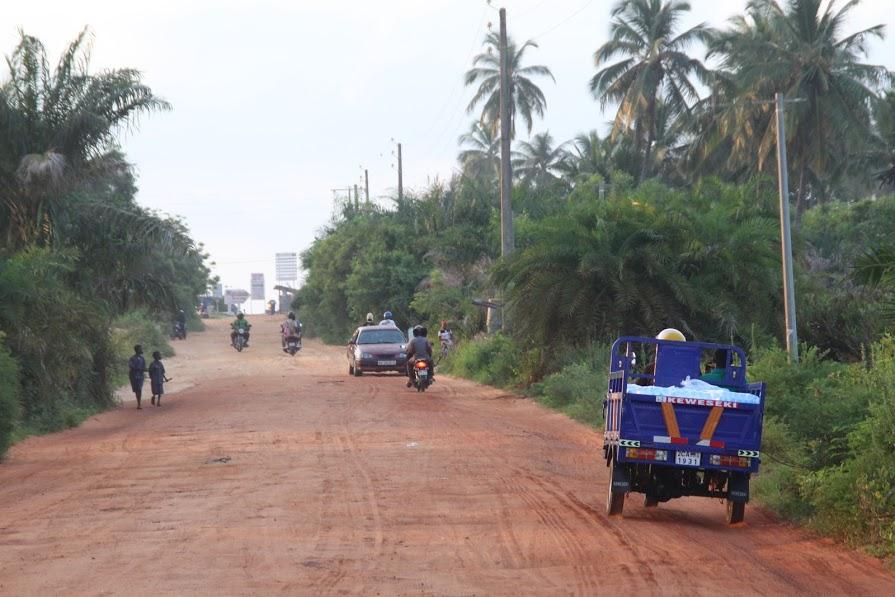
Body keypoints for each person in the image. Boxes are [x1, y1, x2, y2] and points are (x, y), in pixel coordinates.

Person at [128, 345, 147, 409]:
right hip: (133, 375)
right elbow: (131, 366)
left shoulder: (142, 358)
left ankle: (139, 404)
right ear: (137, 350)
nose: (142, 350)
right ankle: (139, 403)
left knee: (139, 389)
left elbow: (144, 368)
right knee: (137, 390)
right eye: (140, 349)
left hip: (140, 376)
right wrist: (138, 368)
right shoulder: (132, 358)